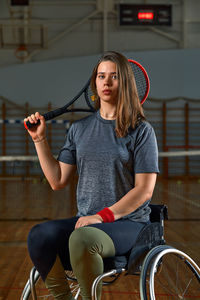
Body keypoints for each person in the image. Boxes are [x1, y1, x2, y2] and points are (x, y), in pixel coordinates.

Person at [24, 51, 159, 300]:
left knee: (83, 239)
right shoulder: (80, 129)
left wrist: (101, 216)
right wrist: (39, 139)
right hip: (86, 224)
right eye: (101, 76)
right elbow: (57, 180)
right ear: (94, 83)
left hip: (129, 225)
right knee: (39, 236)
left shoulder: (141, 131)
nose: (106, 82)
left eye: (114, 77)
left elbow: (144, 190)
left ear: (126, 83)